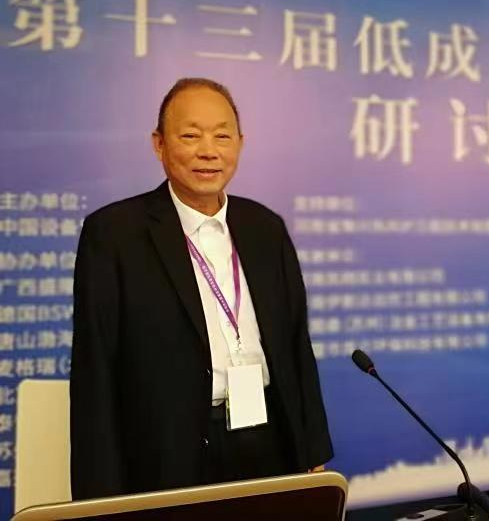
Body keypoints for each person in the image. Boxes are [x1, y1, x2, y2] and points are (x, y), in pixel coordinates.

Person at [70, 77, 333, 499]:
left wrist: (313, 449)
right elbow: (94, 371)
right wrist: (99, 496)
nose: (209, 151)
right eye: (190, 136)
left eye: (222, 136)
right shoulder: (114, 233)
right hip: (167, 454)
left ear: (240, 144)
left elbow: (295, 345)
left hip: (268, 442)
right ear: (159, 144)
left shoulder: (266, 228)